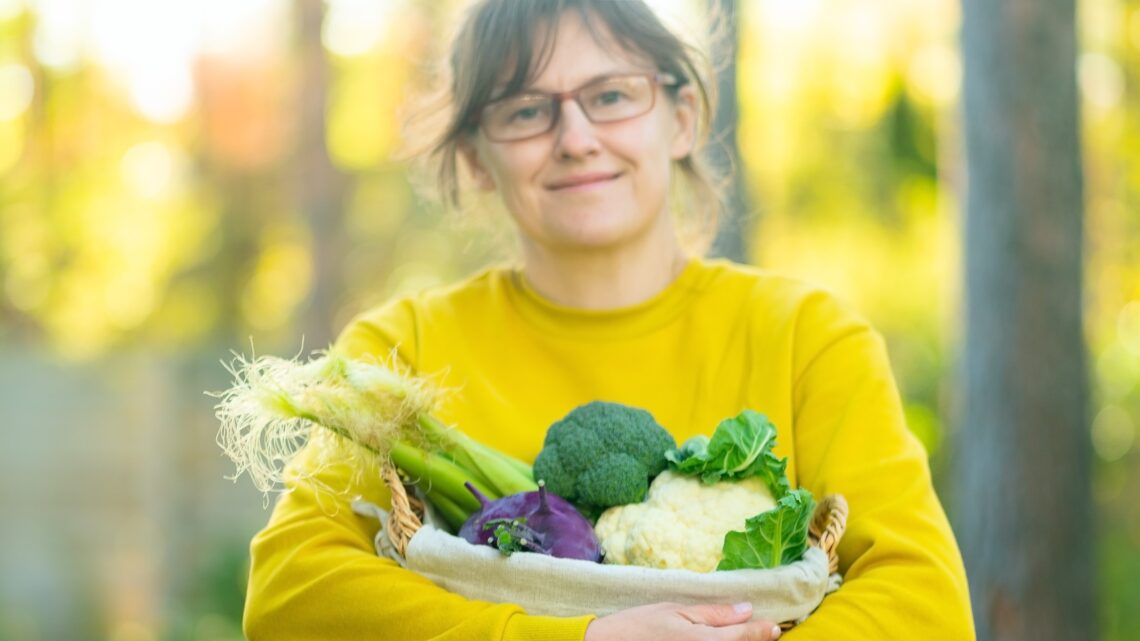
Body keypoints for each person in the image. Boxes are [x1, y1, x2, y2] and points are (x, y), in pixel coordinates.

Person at [242, 1, 975, 639]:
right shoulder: (402, 349)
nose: (576, 136)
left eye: (612, 96)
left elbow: (925, 600)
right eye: (527, 110)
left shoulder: (807, 336)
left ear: (681, 117)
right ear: (474, 157)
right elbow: (290, 590)